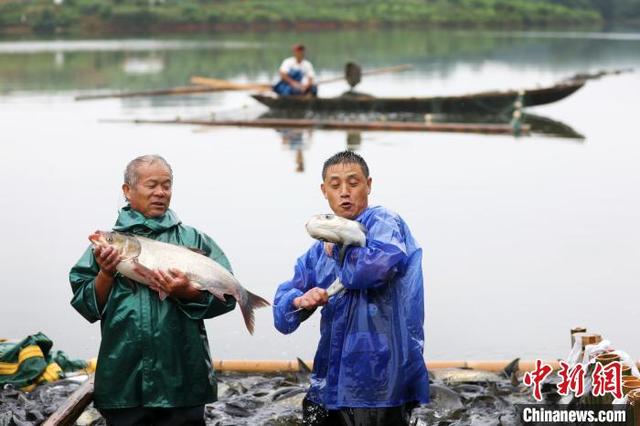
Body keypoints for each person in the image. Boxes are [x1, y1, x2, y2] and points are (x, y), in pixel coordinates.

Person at [69, 155, 236, 426]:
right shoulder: (107, 246)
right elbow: (85, 305)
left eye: (167, 185)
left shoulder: (194, 240)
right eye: (151, 185)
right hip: (123, 380)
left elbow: (226, 300)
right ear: (127, 190)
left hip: (184, 379)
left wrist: (187, 293)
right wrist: (106, 274)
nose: (161, 192)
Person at [273, 151, 429, 425]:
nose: (345, 192)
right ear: (324, 191)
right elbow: (282, 318)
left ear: (369, 185)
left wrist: (338, 250)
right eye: (335, 185)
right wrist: (300, 301)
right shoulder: (315, 253)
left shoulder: (383, 222)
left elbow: (373, 268)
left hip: (381, 382)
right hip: (328, 383)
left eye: (353, 183)